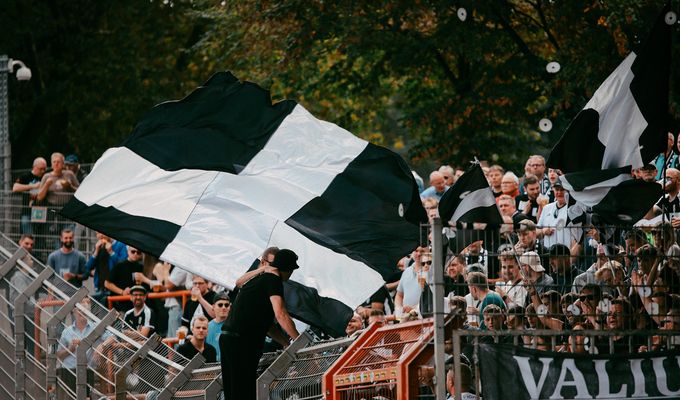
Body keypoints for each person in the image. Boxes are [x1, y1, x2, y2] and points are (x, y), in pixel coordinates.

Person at [220, 248, 300, 400]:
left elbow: (267, 325)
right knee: (243, 393)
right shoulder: (273, 280)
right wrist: (298, 340)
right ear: (289, 270)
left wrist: (285, 342)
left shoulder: (259, 280)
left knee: (234, 393)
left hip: (229, 339)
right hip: (241, 342)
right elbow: (281, 314)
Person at [85, 232, 127, 305]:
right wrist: (96, 252)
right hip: (99, 288)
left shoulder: (120, 245)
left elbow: (123, 266)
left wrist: (111, 252)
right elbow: (87, 268)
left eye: (102, 233)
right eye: (98, 233)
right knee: (98, 313)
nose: (100, 235)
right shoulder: (98, 247)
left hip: (116, 289)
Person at [12, 156, 47, 234]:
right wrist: (33, 186)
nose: (43, 171)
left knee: (40, 234)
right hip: (27, 211)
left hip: (40, 210)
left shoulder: (46, 177)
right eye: (41, 168)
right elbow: (15, 188)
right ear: (34, 167)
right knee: (27, 235)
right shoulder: (25, 176)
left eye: (44, 169)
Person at [105, 246, 144, 312]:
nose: (135, 254)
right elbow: (107, 283)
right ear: (128, 251)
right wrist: (122, 292)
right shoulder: (120, 265)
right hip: (118, 304)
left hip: (133, 304)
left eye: (138, 252)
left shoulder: (140, 267)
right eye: (133, 252)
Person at [206, 292, 230, 362]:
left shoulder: (234, 325)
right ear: (213, 307)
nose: (223, 307)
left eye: (226, 305)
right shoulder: (206, 326)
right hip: (211, 366)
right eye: (220, 305)